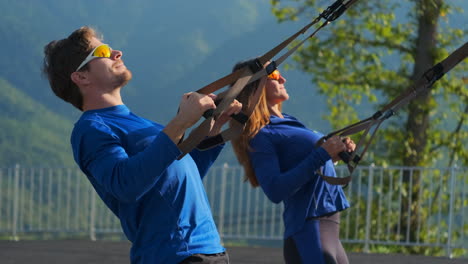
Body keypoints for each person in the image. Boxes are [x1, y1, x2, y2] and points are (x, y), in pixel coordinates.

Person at [42, 26, 242, 264]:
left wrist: (214, 130)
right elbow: (125, 184)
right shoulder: (91, 129)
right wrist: (180, 122)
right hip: (174, 256)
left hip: (209, 251)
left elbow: (179, 175)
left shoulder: (139, 122)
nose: (117, 52)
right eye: (103, 51)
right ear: (81, 77)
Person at [230, 59, 355, 264]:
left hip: (327, 226)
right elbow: (275, 190)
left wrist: (333, 154)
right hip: (309, 229)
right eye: (274, 75)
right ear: (256, 86)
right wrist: (322, 155)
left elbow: (309, 165)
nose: (283, 79)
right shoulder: (262, 136)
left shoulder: (286, 122)